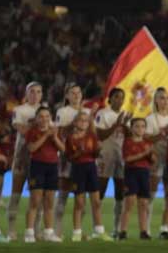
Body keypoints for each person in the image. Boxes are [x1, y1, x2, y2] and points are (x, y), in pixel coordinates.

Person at [66, 112, 112, 241]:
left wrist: (98, 150)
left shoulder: (91, 136)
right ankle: (77, 232)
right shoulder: (71, 138)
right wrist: (79, 153)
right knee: (79, 202)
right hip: (78, 169)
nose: (83, 123)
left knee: (96, 202)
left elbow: (94, 155)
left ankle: (99, 230)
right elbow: (69, 157)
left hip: (91, 168)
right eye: (80, 120)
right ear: (75, 123)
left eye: (86, 121)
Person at [7, 82, 43, 241]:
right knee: (16, 194)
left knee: (38, 198)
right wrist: (37, 123)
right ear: (27, 94)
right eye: (32, 92)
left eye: (38, 92)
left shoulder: (45, 110)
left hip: (39, 159)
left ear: (42, 94)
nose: (35, 95)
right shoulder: (19, 110)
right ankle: (11, 230)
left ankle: (36, 230)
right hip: (21, 156)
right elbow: (21, 129)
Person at [53, 83, 91, 237]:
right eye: (72, 93)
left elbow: (91, 134)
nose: (76, 95)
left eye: (78, 92)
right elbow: (60, 133)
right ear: (67, 96)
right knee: (63, 194)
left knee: (81, 197)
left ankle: (78, 231)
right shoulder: (62, 111)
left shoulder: (87, 111)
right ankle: (56, 230)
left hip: (85, 158)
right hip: (67, 157)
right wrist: (76, 120)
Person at [24, 106, 64, 243]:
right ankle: (29, 233)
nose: (44, 119)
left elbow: (63, 149)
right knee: (35, 201)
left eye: (47, 116)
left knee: (49, 202)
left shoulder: (55, 131)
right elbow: (32, 148)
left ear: (50, 117)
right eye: (41, 116)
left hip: (52, 167)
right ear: (36, 118)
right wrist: (46, 135)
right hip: (37, 167)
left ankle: (48, 232)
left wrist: (54, 137)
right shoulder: (32, 131)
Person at [95, 88, 129, 237]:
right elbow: (100, 135)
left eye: (122, 97)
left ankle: (116, 229)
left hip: (121, 156)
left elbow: (128, 137)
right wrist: (117, 124)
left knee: (120, 192)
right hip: (106, 154)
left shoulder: (125, 114)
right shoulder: (103, 114)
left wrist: (126, 125)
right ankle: (97, 228)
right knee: (100, 191)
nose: (119, 100)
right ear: (110, 99)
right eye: (116, 97)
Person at [144, 87, 168, 236]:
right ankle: (146, 229)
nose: (164, 101)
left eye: (166, 98)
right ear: (156, 101)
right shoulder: (150, 119)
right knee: (151, 195)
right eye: (161, 98)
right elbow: (146, 140)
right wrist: (164, 132)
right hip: (156, 160)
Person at [118, 118, 154, 240]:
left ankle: (143, 231)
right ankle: (122, 231)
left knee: (144, 203)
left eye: (143, 126)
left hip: (144, 173)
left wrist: (152, 156)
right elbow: (127, 159)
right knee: (129, 202)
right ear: (132, 128)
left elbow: (153, 161)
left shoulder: (147, 143)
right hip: (131, 172)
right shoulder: (128, 142)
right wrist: (144, 154)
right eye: (137, 126)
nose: (140, 129)